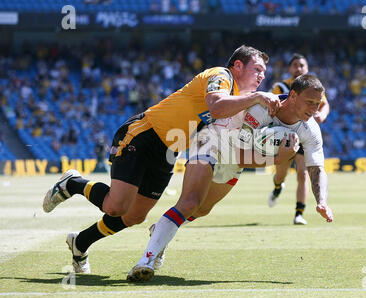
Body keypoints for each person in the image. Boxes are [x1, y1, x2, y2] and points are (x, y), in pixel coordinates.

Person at [42, 45, 281, 274]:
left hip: (169, 152)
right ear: (238, 65)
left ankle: (80, 242)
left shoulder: (241, 97)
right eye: (257, 69)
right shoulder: (222, 75)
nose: (261, 76)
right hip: (145, 134)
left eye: (264, 72)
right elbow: (216, 106)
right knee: (116, 206)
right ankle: (72, 183)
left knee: (134, 216)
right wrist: (258, 97)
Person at [127, 74, 333, 282]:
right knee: (189, 203)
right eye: (310, 102)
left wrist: (322, 201)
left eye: (317, 104)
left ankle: (161, 230)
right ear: (294, 95)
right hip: (213, 141)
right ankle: (145, 261)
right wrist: (278, 158)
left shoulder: (311, 129)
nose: (314, 109)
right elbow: (238, 153)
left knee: (202, 210)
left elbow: (317, 169)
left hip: (235, 161)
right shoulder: (263, 108)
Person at [268, 53, 330, 225]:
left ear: (307, 68)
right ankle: (278, 186)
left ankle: (299, 213)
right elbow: (272, 104)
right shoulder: (280, 86)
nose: (299, 68)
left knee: (303, 173)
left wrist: (322, 116)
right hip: (282, 134)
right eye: (295, 65)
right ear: (290, 68)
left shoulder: (313, 88)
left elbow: (325, 104)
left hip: (303, 134)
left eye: (302, 65)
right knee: (281, 174)